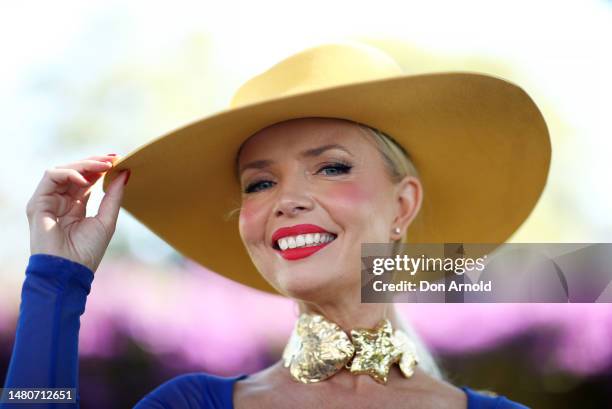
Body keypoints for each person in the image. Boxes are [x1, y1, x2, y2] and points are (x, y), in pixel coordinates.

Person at [3, 42, 550, 408]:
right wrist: (57, 281)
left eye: (332, 167)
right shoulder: (192, 404)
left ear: (402, 205)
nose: (287, 201)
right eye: (259, 183)